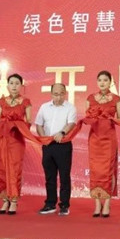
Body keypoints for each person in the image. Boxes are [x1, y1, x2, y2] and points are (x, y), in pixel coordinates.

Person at [35, 83, 77, 216]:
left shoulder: (70, 107)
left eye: (61, 94)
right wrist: (43, 138)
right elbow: (39, 124)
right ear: (51, 94)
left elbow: (71, 123)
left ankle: (64, 205)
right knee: (50, 176)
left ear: (65, 93)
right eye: (56, 94)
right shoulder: (44, 107)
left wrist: (62, 133)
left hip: (63, 145)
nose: (59, 97)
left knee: (64, 176)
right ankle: (50, 203)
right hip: (48, 145)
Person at [85, 70, 120, 217]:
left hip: (109, 138)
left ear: (110, 82)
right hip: (94, 138)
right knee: (96, 170)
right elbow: (87, 118)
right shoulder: (90, 98)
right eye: (100, 80)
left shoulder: (116, 99)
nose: (102, 83)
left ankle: (107, 203)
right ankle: (97, 203)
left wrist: (109, 117)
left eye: (105, 80)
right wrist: (94, 117)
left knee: (108, 170)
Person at [0, 73, 32, 215]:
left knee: (14, 168)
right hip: (2, 138)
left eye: (17, 83)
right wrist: (4, 123)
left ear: (21, 86)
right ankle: (5, 199)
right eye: (11, 83)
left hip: (16, 138)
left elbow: (28, 121)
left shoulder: (26, 102)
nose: (14, 86)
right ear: (7, 85)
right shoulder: (2, 101)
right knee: (2, 167)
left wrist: (16, 124)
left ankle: (14, 200)